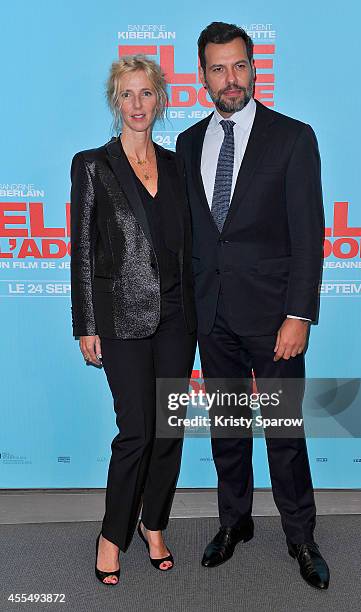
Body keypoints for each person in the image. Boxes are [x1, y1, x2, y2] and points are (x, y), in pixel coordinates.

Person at [176, 22, 329, 590]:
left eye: (239, 65)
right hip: (212, 316)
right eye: (218, 68)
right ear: (203, 76)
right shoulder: (189, 143)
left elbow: (308, 235)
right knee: (228, 428)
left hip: (274, 320)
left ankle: (301, 535)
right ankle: (234, 523)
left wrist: (299, 314)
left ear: (254, 68)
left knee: (284, 431)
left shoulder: (292, 137)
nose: (230, 78)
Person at [70, 55, 197, 585]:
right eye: (128, 94)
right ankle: (112, 533)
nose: (138, 104)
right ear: (115, 101)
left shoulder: (176, 165)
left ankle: (155, 523)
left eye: (147, 93)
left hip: (178, 317)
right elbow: (80, 249)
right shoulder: (92, 164)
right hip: (120, 319)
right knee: (136, 432)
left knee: (169, 430)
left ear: (159, 98)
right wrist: (85, 323)